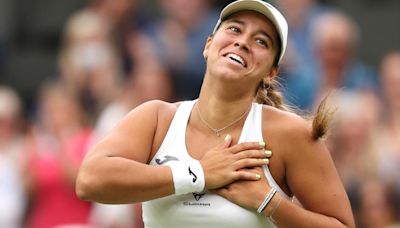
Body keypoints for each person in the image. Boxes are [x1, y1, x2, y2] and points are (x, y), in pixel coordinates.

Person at [76, 0, 355, 227]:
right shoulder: (156, 118)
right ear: (209, 45)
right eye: (234, 29)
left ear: (271, 73)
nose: (243, 42)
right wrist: (198, 174)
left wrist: (269, 202)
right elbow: (90, 180)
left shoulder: (290, 134)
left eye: (261, 41)